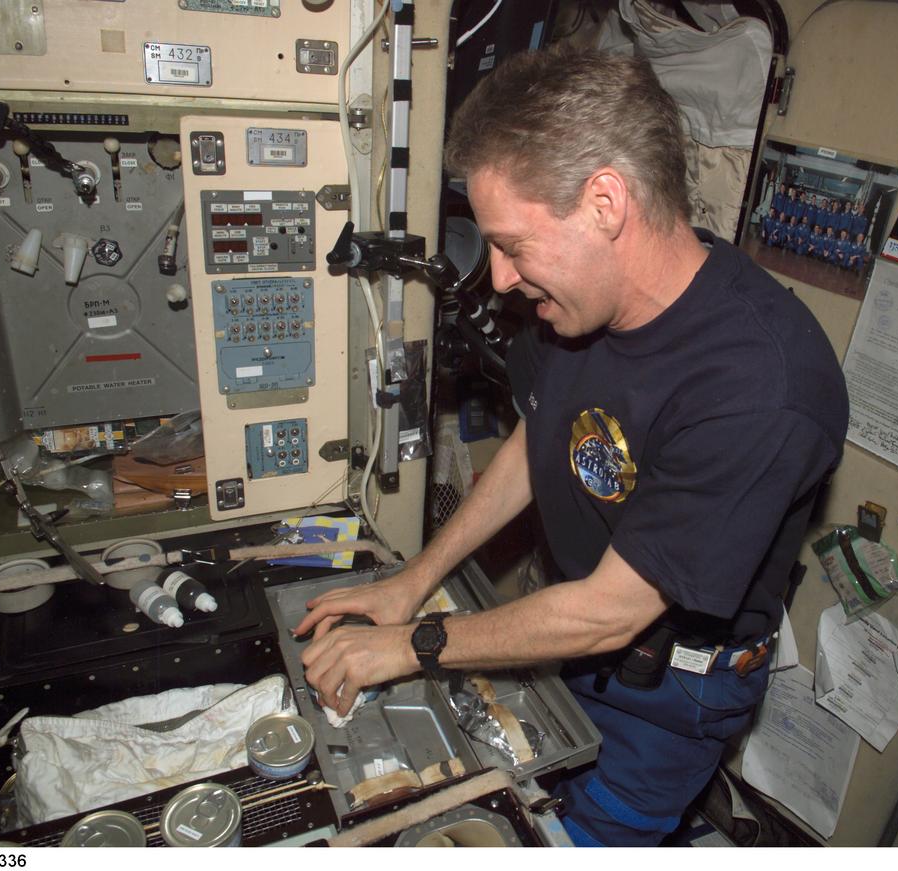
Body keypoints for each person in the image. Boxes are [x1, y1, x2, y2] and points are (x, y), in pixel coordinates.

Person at [293, 47, 848, 847]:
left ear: (605, 202)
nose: (501, 276)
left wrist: (409, 647)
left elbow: (607, 612)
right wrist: (414, 580)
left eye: (513, 244)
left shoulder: (762, 385)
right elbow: (540, 436)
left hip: (669, 689)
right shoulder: (579, 304)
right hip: (572, 636)